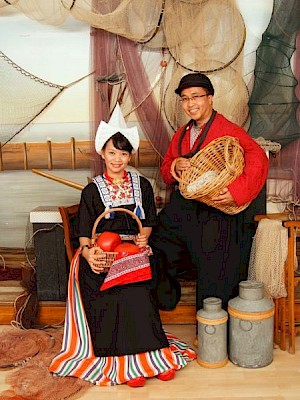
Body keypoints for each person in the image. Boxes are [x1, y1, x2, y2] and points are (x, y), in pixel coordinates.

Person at [49, 103, 196, 387]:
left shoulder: (142, 185)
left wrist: (144, 236)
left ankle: (153, 354)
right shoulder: (93, 190)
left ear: (131, 154)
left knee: (141, 273)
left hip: (133, 248)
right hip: (102, 250)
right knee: (104, 276)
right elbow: (83, 231)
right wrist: (90, 252)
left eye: (123, 153)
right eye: (112, 152)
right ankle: (123, 360)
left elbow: (150, 218)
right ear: (102, 153)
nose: (117, 159)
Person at [150, 73, 269, 315]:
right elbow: (166, 169)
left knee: (215, 256)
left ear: (210, 98)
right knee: (157, 238)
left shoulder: (227, 129)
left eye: (196, 97)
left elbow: (258, 158)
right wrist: (176, 166)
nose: (190, 104)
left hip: (217, 209)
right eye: (184, 99)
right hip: (188, 208)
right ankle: (167, 297)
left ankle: (212, 320)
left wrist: (236, 191)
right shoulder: (182, 134)